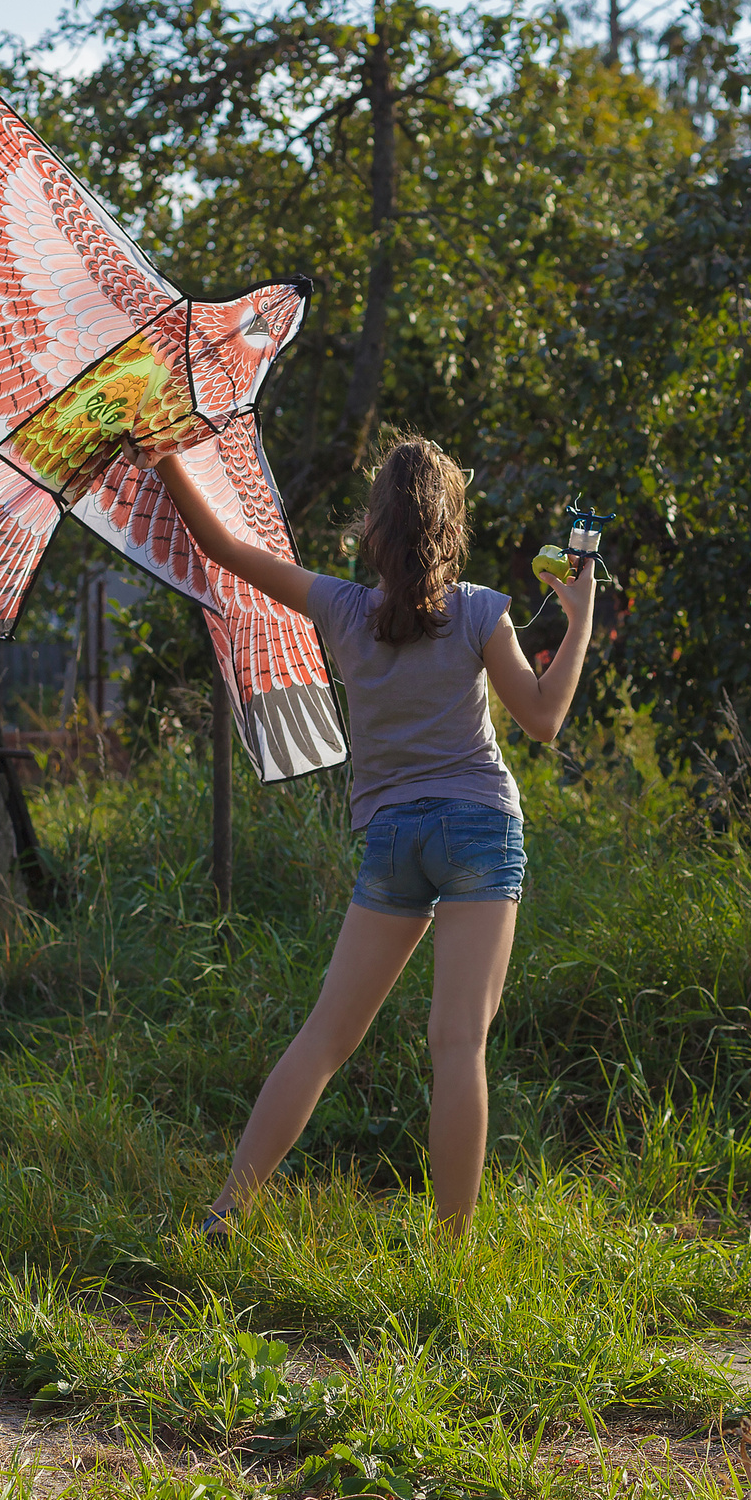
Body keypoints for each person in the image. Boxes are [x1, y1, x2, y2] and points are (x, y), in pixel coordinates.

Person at [147, 434, 597, 1239]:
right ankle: (451, 1254)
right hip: (480, 828)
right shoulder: (481, 611)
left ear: (375, 531)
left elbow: (223, 543)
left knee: (324, 1036)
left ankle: (225, 1212)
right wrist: (580, 619)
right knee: (457, 1042)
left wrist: (163, 455)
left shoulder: (342, 608)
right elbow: (545, 719)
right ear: (449, 528)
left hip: (394, 838)